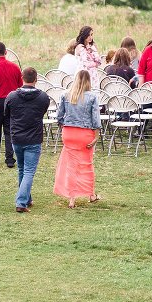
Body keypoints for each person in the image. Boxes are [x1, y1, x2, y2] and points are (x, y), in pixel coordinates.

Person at [52, 70, 101, 209]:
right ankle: (91, 194)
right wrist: (96, 135)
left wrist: (64, 127)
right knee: (86, 164)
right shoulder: (92, 97)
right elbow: (96, 119)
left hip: (68, 132)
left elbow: (59, 116)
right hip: (84, 133)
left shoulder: (66, 94)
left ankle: (72, 199)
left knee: (71, 166)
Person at [4, 67, 50, 213]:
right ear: (36, 79)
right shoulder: (43, 97)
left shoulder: (12, 96)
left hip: (17, 137)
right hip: (33, 138)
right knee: (28, 171)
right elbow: (42, 111)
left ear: (22, 78)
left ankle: (26, 198)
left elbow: (7, 113)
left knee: (23, 169)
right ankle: (21, 202)